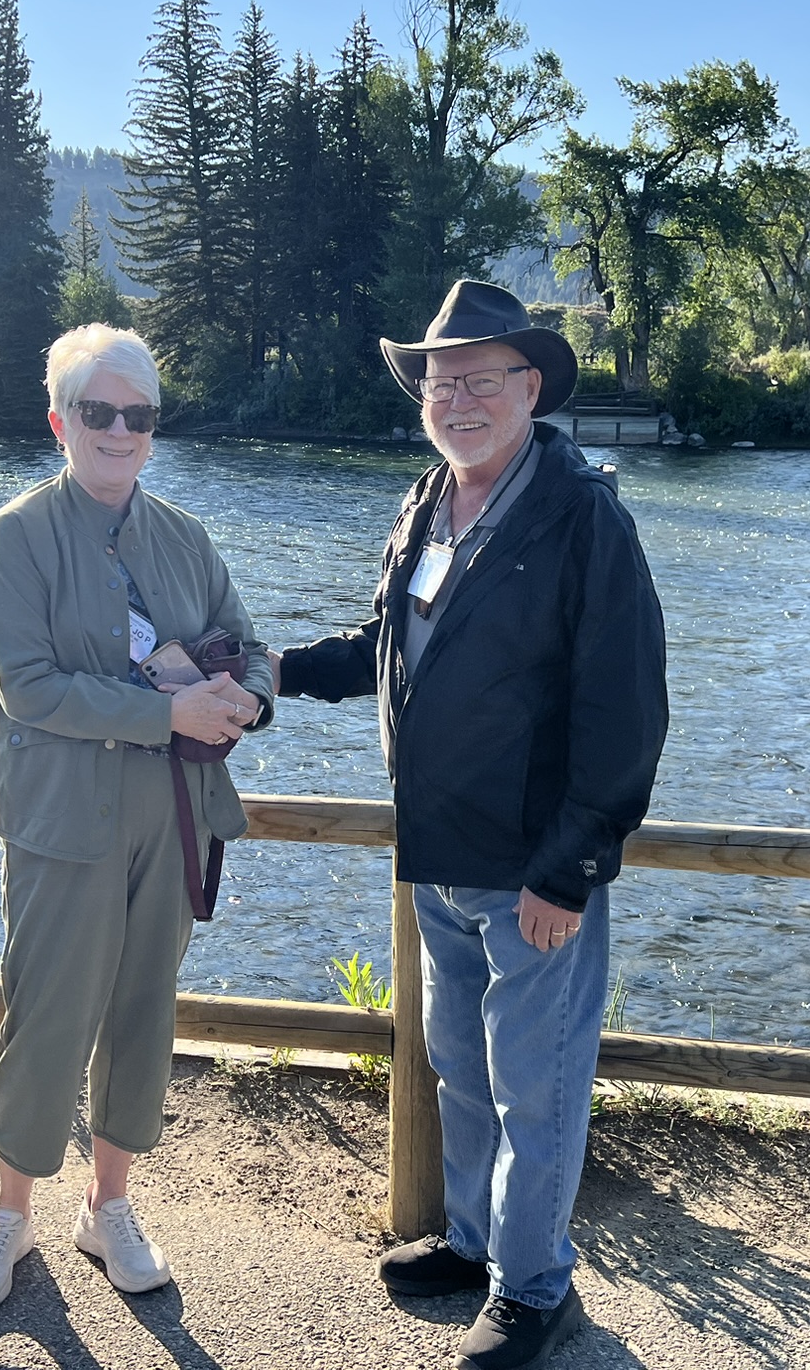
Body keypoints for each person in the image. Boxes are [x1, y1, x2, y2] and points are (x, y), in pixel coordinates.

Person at [275, 280, 667, 1370]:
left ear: (529, 388)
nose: (458, 400)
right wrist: (275, 672)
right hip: (438, 853)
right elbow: (385, 646)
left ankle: (536, 1290)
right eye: (441, 383)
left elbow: (626, 710)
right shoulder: (426, 499)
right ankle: (475, 1241)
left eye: (481, 379)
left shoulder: (583, 516)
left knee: (535, 1087)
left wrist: (569, 869)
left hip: (531, 868)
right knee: (458, 1064)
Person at [0, 324, 274, 1311]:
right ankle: (10, 1216)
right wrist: (166, 714)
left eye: (139, 415)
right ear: (61, 421)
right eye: (99, 411)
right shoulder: (18, 534)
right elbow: (28, 688)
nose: (120, 430)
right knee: (46, 1013)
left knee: (142, 1012)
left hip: (172, 818)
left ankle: (109, 1205)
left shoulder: (184, 537)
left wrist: (247, 699)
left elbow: (253, 649)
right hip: (61, 819)